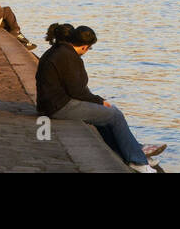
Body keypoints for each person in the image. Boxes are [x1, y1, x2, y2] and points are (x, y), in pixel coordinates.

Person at [35, 23, 165, 173]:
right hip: (58, 107)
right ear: (84, 47)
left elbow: (75, 89)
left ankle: (130, 153)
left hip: (51, 104)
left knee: (104, 119)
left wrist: (98, 103)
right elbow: (77, 91)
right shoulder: (67, 56)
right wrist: (100, 101)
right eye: (90, 48)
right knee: (115, 114)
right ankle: (139, 161)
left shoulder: (58, 51)